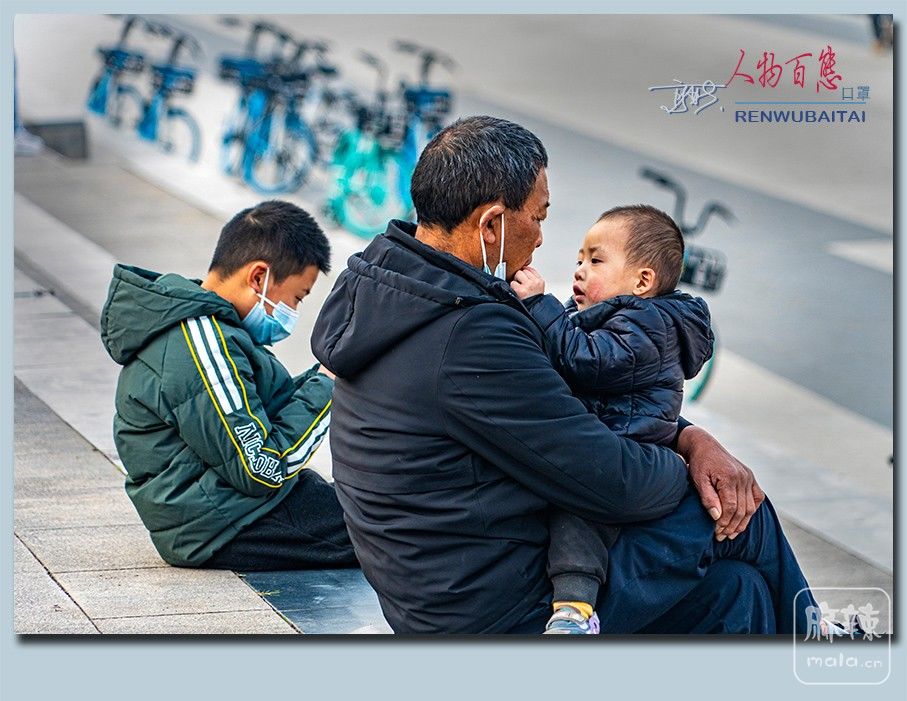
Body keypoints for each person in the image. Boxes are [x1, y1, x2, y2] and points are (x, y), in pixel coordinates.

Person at [312, 115, 818, 634]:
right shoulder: (470, 334)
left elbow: (564, 407)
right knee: (736, 510)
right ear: (491, 225)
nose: (539, 238)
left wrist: (692, 439)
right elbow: (612, 480)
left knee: (737, 591)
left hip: (442, 588)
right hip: (493, 609)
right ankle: (821, 643)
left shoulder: (396, 291)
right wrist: (687, 466)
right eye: (538, 217)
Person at [100, 200, 357, 570]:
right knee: (388, 532)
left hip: (223, 507)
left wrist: (327, 377)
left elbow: (269, 412)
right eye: (296, 298)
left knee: (382, 511)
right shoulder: (200, 342)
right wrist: (329, 386)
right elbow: (260, 469)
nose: (293, 313)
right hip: (217, 525)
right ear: (258, 277)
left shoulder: (212, 328)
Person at [509, 204, 714, 633]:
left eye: (596, 261)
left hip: (628, 453)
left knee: (578, 521)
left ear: (642, 281)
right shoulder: (606, 318)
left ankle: (575, 611)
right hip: (609, 440)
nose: (580, 270)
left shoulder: (647, 324)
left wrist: (540, 306)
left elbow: (588, 362)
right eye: (579, 260)